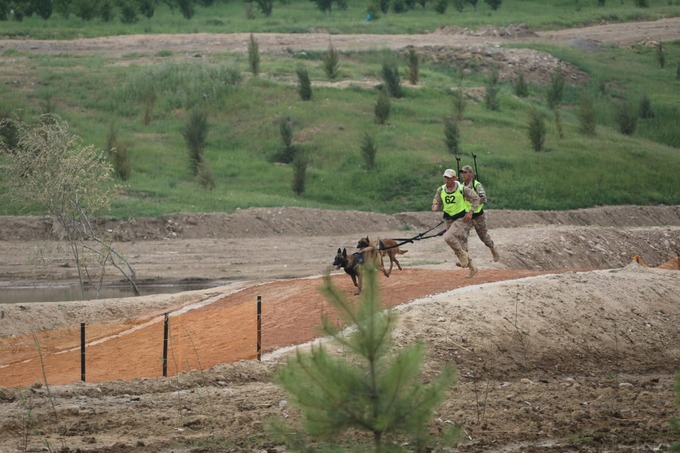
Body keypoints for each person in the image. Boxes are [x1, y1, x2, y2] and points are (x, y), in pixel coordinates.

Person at [431, 168, 480, 278]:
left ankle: (463, 257)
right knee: (457, 243)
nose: (446, 179)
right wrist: (435, 205)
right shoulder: (441, 189)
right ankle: (472, 267)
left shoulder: (463, 189)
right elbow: (436, 200)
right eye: (445, 177)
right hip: (448, 218)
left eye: (449, 177)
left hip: (461, 218)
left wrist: (471, 212)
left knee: (448, 237)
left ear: (454, 178)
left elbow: (476, 198)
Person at [460, 165, 500, 262]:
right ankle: (465, 257)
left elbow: (484, 199)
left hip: (478, 216)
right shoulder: (461, 186)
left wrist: (472, 199)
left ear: (471, 174)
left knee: (484, 237)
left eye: (465, 172)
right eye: (462, 173)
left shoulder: (477, 185)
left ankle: (493, 248)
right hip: (467, 216)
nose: (463, 175)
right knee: (462, 235)